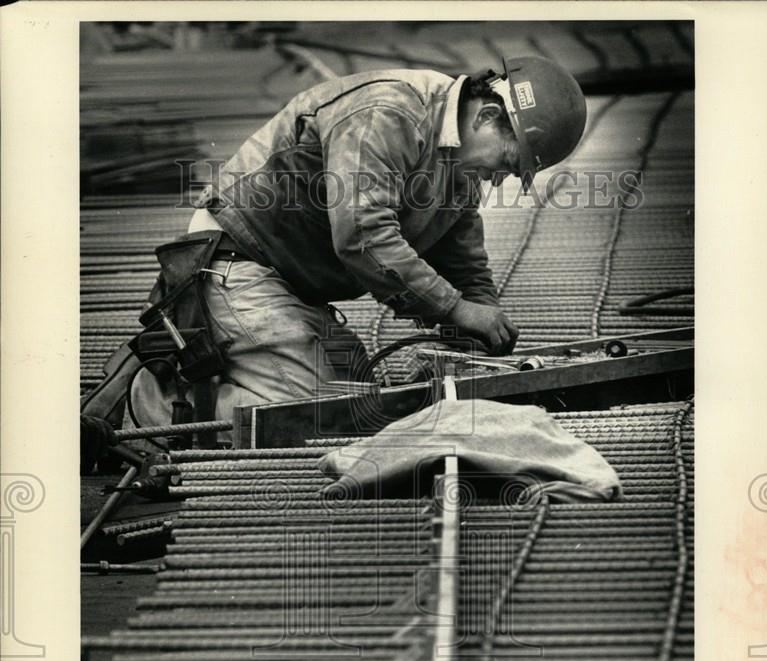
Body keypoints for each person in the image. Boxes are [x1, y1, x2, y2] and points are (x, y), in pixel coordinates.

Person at [122, 55, 588, 429]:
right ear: (487, 116)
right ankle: (160, 403)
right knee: (318, 419)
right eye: (509, 162)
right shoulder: (389, 112)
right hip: (235, 264)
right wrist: (456, 310)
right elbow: (363, 235)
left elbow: (463, 263)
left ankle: (243, 361)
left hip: (292, 289)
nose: (503, 178)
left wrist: (478, 339)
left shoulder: (463, 169)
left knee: (365, 403)